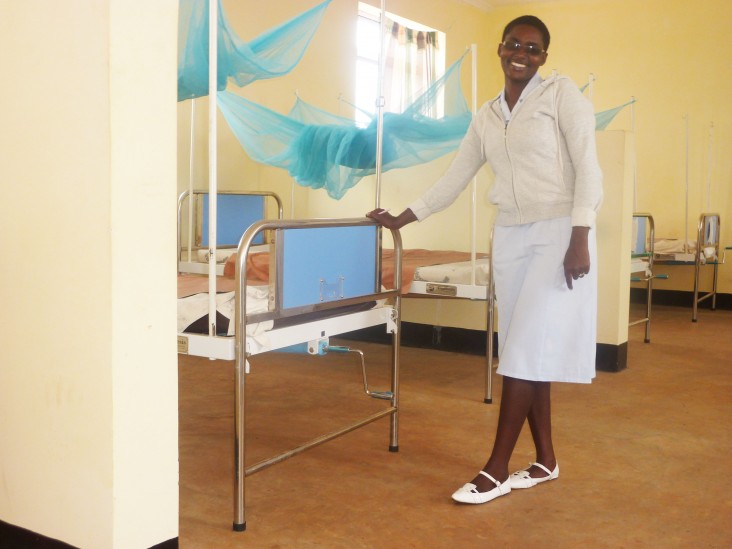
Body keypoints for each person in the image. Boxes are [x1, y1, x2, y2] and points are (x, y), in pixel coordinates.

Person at [367, 15, 602, 505]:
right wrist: (402, 219)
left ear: (544, 56)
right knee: (524, 347)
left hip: (558, 231)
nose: (522, 54)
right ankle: (546, 461)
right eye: (514, 44)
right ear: (500, 49)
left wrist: (580, 234)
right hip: (511, 234)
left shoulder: (563, 97)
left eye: (533, 48)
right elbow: (455, 176)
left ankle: (496, 468)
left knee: (521, 352)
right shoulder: (488, 114)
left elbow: (588, 168)